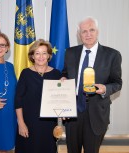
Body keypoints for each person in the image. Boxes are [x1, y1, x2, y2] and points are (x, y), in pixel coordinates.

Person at [62, 17, 122, 153]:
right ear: (79, 35)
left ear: (97, 32)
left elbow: (117, 83)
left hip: (97, 112)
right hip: (73, 111)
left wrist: (106, 88)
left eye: (91, 30)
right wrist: (63, 77)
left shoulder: (112, 55)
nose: (88, 34)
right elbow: (65, 72)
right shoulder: (70, 53)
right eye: (84, 31)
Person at [14, 39, 61, 153]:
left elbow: (60, 100)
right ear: (32, 56)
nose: (41, 56)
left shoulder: (56, 74)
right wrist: (21, 123)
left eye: (44, 53)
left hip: (49, 126)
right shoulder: (25, 73)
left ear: (49, 55)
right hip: (28, 124)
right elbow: (18, 100)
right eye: (37, 53)